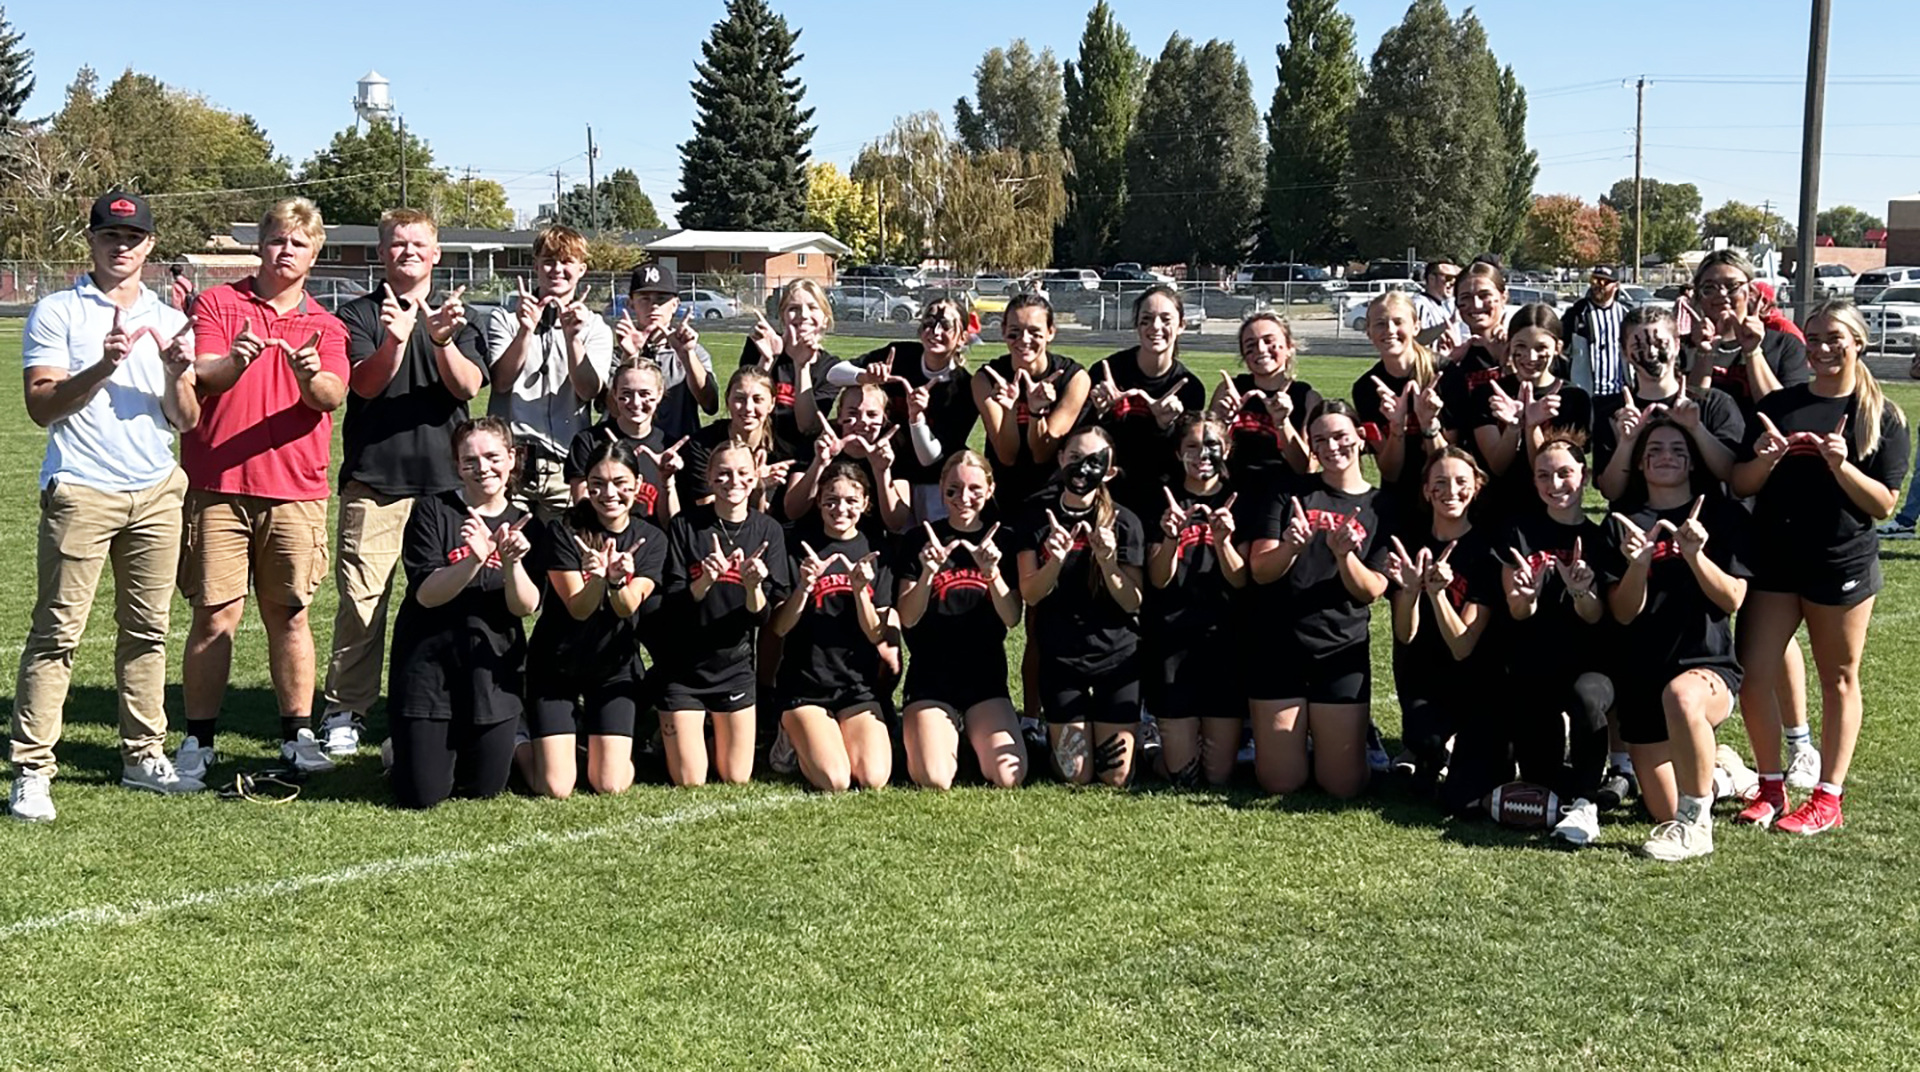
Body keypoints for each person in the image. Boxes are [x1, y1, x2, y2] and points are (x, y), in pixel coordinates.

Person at [10, 191, 205, 822]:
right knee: (56, 634)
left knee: (147, 631)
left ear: (149, 246)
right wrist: (101, 364)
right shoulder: (58, 311)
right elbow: (41, 408)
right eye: (109, 236)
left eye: (133, 238)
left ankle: (142, 754)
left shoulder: (171, 317)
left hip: (154, 490)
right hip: (82, 489)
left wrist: (177, 371)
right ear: (91, 241)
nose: (121, 247)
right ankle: (33, 769)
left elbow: (186, 419)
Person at [176, 197, 350, 780]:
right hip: (217, 484)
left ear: (314, 254)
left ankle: (297, 733)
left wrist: (307, 377)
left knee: (291, 614)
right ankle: (198, 740)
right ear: (261, 244)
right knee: (213, 616)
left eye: (299, 243)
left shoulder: (326, 324)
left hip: (295, 490)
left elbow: (331, 395)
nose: (286, 251)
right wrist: (237, 360)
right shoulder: (220, 303)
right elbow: (205, 374)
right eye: (277, 239)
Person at [1731, 301, 1909, 835]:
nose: (1822, 348)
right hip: (1776, 559)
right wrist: (1765, 458)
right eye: (1813, 338)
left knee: (1838, 678)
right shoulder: (1781, 404)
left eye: (1834, 338)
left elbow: (1883, 505)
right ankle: (1769, 787)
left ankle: (1828, 797)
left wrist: (1841, 465)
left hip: (1841, 562)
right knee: (1753, 675)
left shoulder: (1882, 415)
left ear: (1859, 342)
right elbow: (1741, 484)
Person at [319, 208, 488, 759]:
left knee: (446, 601)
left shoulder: (463, 316)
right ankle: (346, 710)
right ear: (382, 253)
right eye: (396, 244)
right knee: (363, 603)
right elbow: (363, 387)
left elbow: (468, 386)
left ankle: (440, 700)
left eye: (418, 243)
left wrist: (439, 339)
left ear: (437, 253)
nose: (407, 252)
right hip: (376, 482)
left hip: (446, 488)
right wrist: (395, 339)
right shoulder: (357, 314)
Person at [1606, 420, 1757, 860]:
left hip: (1705, 669)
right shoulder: (1623, 522)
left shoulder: (1723, 516)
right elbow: (1621, 611)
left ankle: (1698, 828)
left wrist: (1694, 555)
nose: (1666, 455)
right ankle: (1720, 770)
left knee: (1682, 696)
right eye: (1654, 449)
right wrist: (1636, 565)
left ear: (1692, 461)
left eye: (1677, 448)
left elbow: (1731, 599)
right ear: (1641, 462)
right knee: (1663, 811)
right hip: (1642, 678)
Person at [386, 417, 537, 809]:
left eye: (492, 457)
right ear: (456, 465)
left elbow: (525, 606)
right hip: (429, 669)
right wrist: (474, 559)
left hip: (491, 675)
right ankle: (397, 748)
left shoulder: (527, 522)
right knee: (423, 795)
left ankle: (498, 735)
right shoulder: (433, 511)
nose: (482, 468)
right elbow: (427, 595)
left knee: (485, 789)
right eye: (469, 460)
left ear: (512, 458)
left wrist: (511, 564)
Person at [1244, 400, 1393, 800]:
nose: (1331, 447)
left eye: (1341, 436)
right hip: (1279, 642)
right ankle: (1295, 738)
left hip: (1339, 646)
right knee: (1281, 782)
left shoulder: (1382, 506)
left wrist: (1345, 556)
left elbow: (1372, 590)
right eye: (1320, 440)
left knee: (1341, 786)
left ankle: (1351, 741)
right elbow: (1260, 570)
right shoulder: (1288, 493)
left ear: (1360, 438)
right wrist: (1291, 547)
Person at [1486, 433, 1615, 845]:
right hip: (1534, 662)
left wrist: (1580, 590)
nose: (1555, 484)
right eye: (1544, 476)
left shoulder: (1600, 538)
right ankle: (1604, 781)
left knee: (1587, 697)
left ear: (1585, 476)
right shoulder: (1518, 532)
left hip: (1589, 663)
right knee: (1542, 781)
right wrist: (1525, 597)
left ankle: (1587, 801)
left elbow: (1596, 616)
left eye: (1565, 473)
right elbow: (1517, 611)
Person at [523, 439, 666, 798]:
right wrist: (599, 578)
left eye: (620, 483)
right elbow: (578, 607)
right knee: (555, 787)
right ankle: (517, 739)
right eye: (597, 483)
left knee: (610, 784)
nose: (609, 493)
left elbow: (626, 607)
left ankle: (589, 745)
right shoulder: (563, 531)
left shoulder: (651, 538)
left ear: (637, 484)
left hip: (613, 670)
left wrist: (617, 581)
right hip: (556, 665)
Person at [1016, 426, 1146, 787]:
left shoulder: (1126, 522)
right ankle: (1055, 734)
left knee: (1115, 777)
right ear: (1060, 460)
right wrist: (1053, 562)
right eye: (1074, 458)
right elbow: (1030, 594)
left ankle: (1135, 736)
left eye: (1094, 462)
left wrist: (1108, 563)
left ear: (1110, 471)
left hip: (1116, 658)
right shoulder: (1035, 517)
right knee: (1075, 774)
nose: (1082, 469)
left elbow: (1132, 601)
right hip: (1061, 659)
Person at [656, 441, 789, 786]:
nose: (734, 481)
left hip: (734, 668)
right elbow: (672, 607)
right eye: (724, 474)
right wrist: (704, 581)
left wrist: (752, 587)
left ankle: (704, 734)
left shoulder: (768, 531)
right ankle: (673, 733)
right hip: (683, 669)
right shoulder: (686, 525)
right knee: (690, 779)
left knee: (736, 776)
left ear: (754, 477)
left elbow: (763, 618)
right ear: (710, 479)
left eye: (743, 473)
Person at [895, 451, 1027, 789]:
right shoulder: (919, 541)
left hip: (984, 676)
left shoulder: (1005, 541)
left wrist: (992, 573)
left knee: (1009, 776)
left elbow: (1012, 618)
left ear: (990, 489)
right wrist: (927, 573)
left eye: (974, 489)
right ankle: (935, 734)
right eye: (953, 489)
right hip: (931, 677)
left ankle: (969, 735)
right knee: (934, 778)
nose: (963, 499)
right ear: (941, 488)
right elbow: (908, 617)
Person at [773, 460, 897, 792]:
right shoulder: (797, 548)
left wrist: (860, 591)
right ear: (819, 502)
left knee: (873, 779)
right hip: (806, 685)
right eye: (831, 500)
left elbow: (876, 633)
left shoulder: (876, 553)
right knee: (836, 780)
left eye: (850, 501)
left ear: (865, 504)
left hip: (857, 686)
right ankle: (791, 735)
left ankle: (832, 735)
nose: (840, 509)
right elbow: (780, 628)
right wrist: (803, 587)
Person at [1384, 448, 1501, 800]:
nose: (1451, 490)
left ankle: (1464, 750)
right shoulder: (1410, 544)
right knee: (1425, 738)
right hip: (1423, 676)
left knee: (1464, 798)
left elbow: (1463, 646)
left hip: (1475, 680)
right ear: (1425, 491)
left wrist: (1437, 595)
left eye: (1461, 481)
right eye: (1440, 482)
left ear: (1477, 486)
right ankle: (1434, 750)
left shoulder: (1488, 547)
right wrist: (1408, 590)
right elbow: (1405, 633)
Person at [1144, 415, 1248, 787]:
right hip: (1173, 637)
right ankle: (1153, 749)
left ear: (1228, 449)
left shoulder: (1241, 499)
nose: (1202, 455)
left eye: (1212, 446)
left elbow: (1240, 578)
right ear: (1177, 452)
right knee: (1183, 777)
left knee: (1218, 777)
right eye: (1191, 447)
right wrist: (1171, 537)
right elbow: (1158, 579)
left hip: (1224, 638)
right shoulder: (1161, 498)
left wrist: (1223, 542)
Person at [488, 225, 614, 522]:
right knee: (503, 557)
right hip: (512, 464)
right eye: (549, 261)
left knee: (561, 559)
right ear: (535, 266)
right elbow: (501, 382)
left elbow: (588, 391)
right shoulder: (505, 320)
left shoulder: (595, 328)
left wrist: (572, 338)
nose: (557, 269)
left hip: (564, 466)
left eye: (567, 261)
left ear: (581, 269)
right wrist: (525, 331)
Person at [842, 297, 977, 524]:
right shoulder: (901, 355)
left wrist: (916, 417)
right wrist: (864, 376)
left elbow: (929, 459)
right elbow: (834, 373)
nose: (934, 331)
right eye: (928, 322)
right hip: (888, 475)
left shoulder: (965, 388)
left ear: (962, 337)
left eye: (945, 325)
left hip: (933, 486)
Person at [1593, 307, 1744, 507]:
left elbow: (1732, 474)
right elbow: (1611, 491)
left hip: (1706, 522)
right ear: (1624, 352)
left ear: (1676, 345)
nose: (1652, 352)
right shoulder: (1612, 412)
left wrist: (1696, 429)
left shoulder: (1714, 403)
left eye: (1660, 343)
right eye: (1639, 347)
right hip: (1637, 527)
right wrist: (1627, 443)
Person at [1085, 285, 1208, 519]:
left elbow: (1179, 459)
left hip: (1157, 497)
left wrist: (1164, 426)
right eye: (1147, 319)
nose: (1156, 327)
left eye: (1166, 319)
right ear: (1137, 325)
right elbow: (1081, 441)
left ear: (1181, 325)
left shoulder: (1190, 388)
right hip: (1106, 492)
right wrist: (1101, 414)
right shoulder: (1107, 372)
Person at [1472, 303, 1594, 520]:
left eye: (1540, 347)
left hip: (1553, 512)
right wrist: (1512, 427)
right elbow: (1498, 467)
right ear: (1509, 346)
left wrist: (1532, 426)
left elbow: (1554, 471)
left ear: (1558, 347)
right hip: (1497, 511)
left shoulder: (1574, 398)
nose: (1531, 356)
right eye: (1521, 346)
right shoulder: (1488, 393)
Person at [973, 294, 1091, 512]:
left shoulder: (1074, 378)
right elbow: (1006, 456)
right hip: (1003, 494)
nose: (1024, 340)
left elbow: (1042, 454)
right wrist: (1011, 409)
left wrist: (1037, 412)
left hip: (1056, 495)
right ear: (1003, 330)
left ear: (1050, 332)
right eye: (1015, 331)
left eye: (1035, 332)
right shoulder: (986, 379)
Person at [1684, 249, 1809, 423]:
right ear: (1698, 295)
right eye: (1709, 288)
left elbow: (1784, 414)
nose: (1722, 294)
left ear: (1751, 291)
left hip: (1763, 447)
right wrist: (1704, 356)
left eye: (1732, 286)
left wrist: (1752, 352)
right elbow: (1687, 413)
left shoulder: (1785, 345)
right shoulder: (1680, 348)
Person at [1352, 291, 1446, 511]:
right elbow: (1390, 471)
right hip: (1398, 500)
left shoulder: (1444, 374)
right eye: (1380, 324)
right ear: (1368, 331)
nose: (1390, 331)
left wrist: (1429, 425)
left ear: (1416, 326)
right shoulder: (1366, 389)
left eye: (1398, 322)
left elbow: (1448, 461)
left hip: (1444, 496)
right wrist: (1396, 428)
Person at [566, 355, 684, 528]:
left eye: (645, 394)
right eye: (626, 394)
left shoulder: (668, 448)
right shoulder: (589, 441)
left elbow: (671, 525)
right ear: (614, 393)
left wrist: (667, 480)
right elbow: (583, 509)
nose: (636, 403)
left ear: (660, 394)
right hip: (603, 542)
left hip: (654, 546)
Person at [1209, 312, 1321, 488]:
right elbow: (1205, 455)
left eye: (1269, 341)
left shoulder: (1307, 398)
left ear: (1289, 346)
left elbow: (1306, 468)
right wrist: (1224, 422)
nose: (1260, 349)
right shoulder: (1229, 390)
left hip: (1282, 497)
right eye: (1250, 344)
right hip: (1231, 491)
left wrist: (1282, 423)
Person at [611, 260, 716, 444]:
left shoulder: (694, 351)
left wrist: (686, 355)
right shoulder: (617, 353)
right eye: (645, 298)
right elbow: (612, 408)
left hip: (679, 450)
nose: (653, 306)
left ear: (675, 305)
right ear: (631, 303)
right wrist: (630, 356)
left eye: (662, 299)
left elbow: (710, 404)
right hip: (626, 450)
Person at [783, 384, 910, 531]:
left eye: (872, 414)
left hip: (869, 542)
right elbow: (792, 511)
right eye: (852, 413)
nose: (862, 421)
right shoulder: (820, 442)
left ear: (884, 417)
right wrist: (819, 463)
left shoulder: (894, 448)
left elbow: (897, 522)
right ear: (839, 414)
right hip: (815, 536)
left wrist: (882, 471)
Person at [741, 280, 847, 454]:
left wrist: (801, 366)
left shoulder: (831, 368)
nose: (803, 315)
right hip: (756, 451)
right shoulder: (759, 347)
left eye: (812, 307)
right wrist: (768, 360)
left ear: (825, 320)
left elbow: (808, 426)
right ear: (782, 317)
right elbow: (744, 404)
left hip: (802, 459)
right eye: (793, 309)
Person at [678, 366, 794, 514]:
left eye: (758, 399)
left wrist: (759, 489)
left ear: (771, 403)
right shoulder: (703, 444)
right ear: (728, 401)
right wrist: (751, 486)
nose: (748, 408)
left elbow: (769, 517)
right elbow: (706, 507)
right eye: (740, 399)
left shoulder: (783, 447)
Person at [1561, 266, 1628, 396]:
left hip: (1617, 393)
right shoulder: (1577, 314)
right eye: (1594, 281)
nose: (1598, 286)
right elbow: (1562, 349)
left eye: (1603, 282)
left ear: (1616, 286)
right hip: (1585, 393)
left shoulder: (1625, 315)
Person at [1409, 253, 1464, 351]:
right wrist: (1449, 323)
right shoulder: (1418, 305)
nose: (1452, 283)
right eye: (1449, 278)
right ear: (1431, 279)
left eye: (1456, 279)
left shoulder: (1446, 306)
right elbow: (1415, 339)